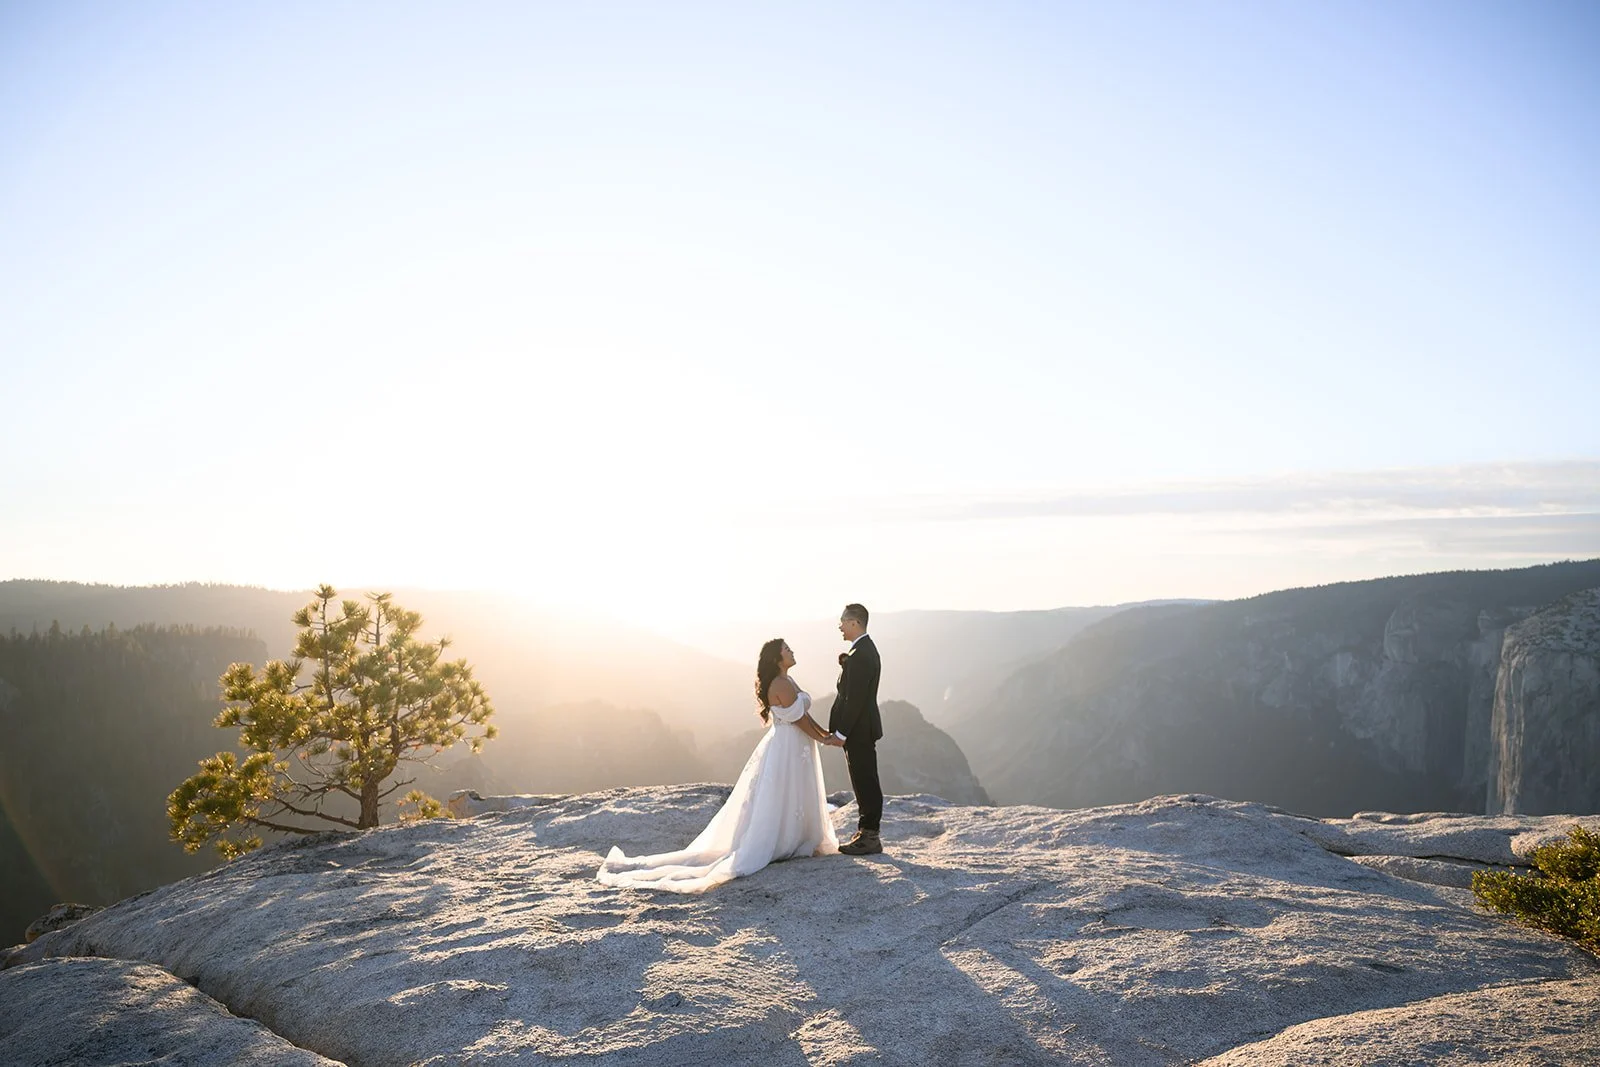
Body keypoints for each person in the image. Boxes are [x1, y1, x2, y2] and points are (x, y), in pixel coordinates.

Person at [596, 638, 841, 892]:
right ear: (777, 658)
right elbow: (799, 719)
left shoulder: (788, 680)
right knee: (786, 790)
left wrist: (825, 734)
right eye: (787, 650)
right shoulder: (780, 683)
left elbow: (803, 714)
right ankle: (786, 842)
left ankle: (799, 838)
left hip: (795, 746)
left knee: (794, 790)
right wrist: (824, 739)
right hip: (788, 746)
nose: (792, 652)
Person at [828, 602, 884, 855]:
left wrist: (842, 733)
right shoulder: (861, 650)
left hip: (859, 730)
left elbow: (856, 699)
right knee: (863, 779)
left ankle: (870, 836)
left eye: (842, 621)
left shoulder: (861, 654)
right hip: (860, 729)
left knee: (865, 780)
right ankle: (867, 832)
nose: (839, 626)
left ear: (854, 623)